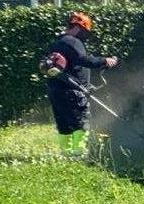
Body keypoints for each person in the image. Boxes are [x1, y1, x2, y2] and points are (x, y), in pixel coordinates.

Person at [42, 11, 117, 156]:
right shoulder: (73, 41)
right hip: (72, 90)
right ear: (77, 28)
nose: (85, 35)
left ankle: (66, 153)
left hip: (55, 88)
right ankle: (79, 153)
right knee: (80, 122)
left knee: (63, 122)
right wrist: (104, 61)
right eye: (84, 31)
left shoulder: (56, 42)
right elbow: (82, 60)